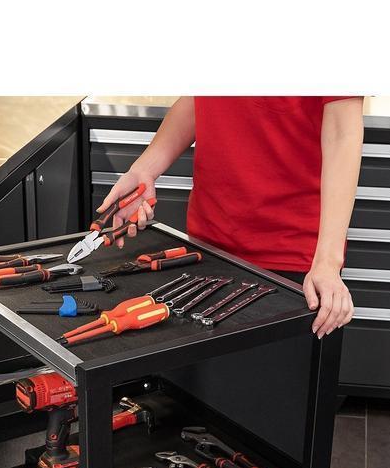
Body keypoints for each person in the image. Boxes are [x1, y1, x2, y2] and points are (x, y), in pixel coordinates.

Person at [98, 96, 363, 339]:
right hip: (207, 246)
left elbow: (343, 132)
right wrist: (144, 170)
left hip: (290, 258)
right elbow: (199, 101)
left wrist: (328, 262)